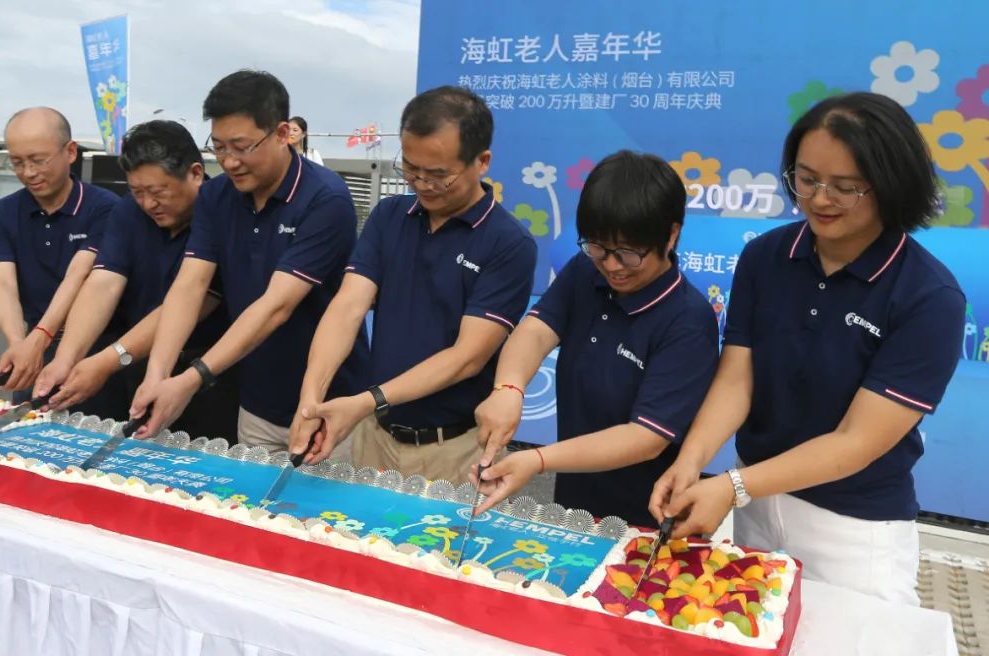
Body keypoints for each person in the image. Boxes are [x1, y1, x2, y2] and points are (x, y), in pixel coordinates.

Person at [649, 92, 965, 605]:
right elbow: (738, 378)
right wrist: (691, 460)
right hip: (756, 501)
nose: (819, 199)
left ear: (892, 184)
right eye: (807, 178)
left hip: (855, 526)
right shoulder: (765, 257)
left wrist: (732, 486)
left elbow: (855, 441)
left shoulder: (929, 297)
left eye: (845, 187)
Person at [289, 86, 537, 486]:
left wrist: (365, 401)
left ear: (482, 162)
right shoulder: (389, 215)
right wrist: (311, 400)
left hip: (455, 451)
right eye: (410, 167)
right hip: (376, 436)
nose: (421, 183)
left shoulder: (508, 243)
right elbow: (347, 307)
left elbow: (467, 357)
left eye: (438, 174)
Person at [471, 151, 719, 526]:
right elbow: (536, 330)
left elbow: (645, 439)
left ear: (671, 234)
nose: (612, 266)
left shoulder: (688, 320)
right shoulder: (586, 272)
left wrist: (538, 459)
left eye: (628, 254)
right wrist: (508, 388)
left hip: (646, 521)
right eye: (598, 248)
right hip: (574, 509)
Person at [129, 70, 370, 450]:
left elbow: (276, 306)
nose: (229, 162)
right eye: (219, 147)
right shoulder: (216, 197)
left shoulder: (326, 199)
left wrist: (191, 379)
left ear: (282, 133)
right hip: (256, 403)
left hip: (330, 408)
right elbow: (190, 286)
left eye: (241, 147)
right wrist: (157, 375)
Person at [32, 120, 239, 440]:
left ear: (196, 173)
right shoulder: (130, 211)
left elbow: (191, 301)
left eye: (158, 192)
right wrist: (66, 358)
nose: (148, 204)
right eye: (138, 192)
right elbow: (104, 282)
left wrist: (106, 361)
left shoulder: (224, 213)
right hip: (135, 361)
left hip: (205, 374)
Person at [0, 106, 125, 418]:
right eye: (17, 162)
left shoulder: (107, 208)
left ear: (70, 152)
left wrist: (39, 338)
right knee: (23, 436)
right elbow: (2, 282)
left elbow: (80, 275)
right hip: (34, 352)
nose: (28, 172)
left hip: (98, 351)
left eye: (38, 160)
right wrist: (19, 343)